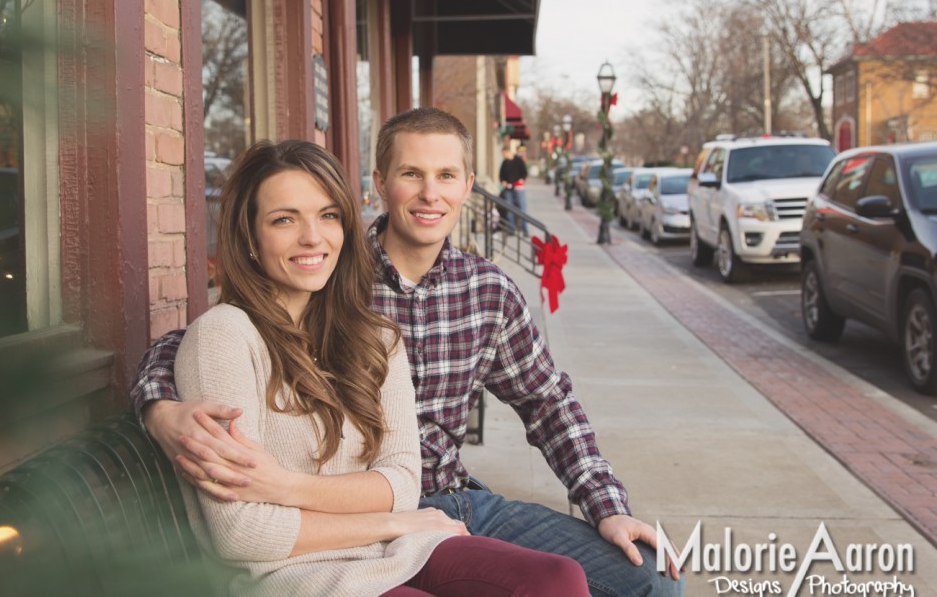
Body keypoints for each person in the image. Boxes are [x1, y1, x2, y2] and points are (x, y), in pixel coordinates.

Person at [131, 109, 683, 597]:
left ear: (468, 185)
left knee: (650, 577)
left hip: (455, 498)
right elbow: (204, 339)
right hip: (346, 518)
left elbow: (548, 404)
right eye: (411, 174)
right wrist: (159, 406)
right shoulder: (332, 274)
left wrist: (606, 505)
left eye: (445, 176)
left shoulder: (485, 293)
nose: (430, 194)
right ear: (379, 184)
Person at [498, 145, 528, 234]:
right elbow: (501, 175)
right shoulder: (504, 163)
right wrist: (503, 181)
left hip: (518, 187)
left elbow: (524, 173)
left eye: (503, 153)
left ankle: (524, 229)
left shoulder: (518, 161)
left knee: (522, 208)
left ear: (507, 152)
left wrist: (522, 179)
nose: (503, 155)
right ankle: (511, 228)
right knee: (509, 208)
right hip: (508, 188)